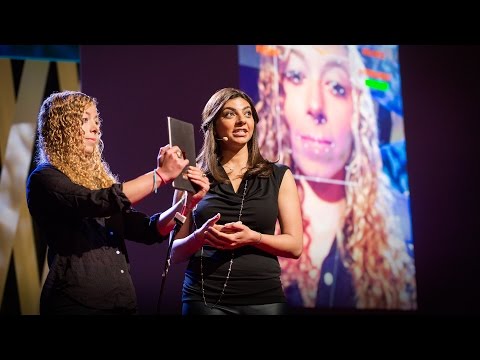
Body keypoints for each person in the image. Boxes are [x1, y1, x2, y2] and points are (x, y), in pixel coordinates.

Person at [255, 45, 417, 309]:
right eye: (296, 76)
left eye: (337, 87)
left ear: (359, 111)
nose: (316, 105)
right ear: (279, 100)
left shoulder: (400, 225)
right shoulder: (250, 218)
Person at [26, 90, 210, 315]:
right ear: (61, 128)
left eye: (95, 120)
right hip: (76, 303)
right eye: (84, 120)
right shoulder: (45, 178)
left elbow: (149, 229)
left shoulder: (97, 181)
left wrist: (188, 204)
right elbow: (97, 202)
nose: (95, 127)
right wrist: (160, 175)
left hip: (122, 303)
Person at [170, 87, 303, 315]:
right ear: (213, 125)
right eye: (230, 114)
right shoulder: (192, 177)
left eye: (248, 113)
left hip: (264, 299)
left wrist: (254, 237)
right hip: (204, 299)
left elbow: (295, 246)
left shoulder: (279, 175)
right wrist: (199, 237)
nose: (242, 121)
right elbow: (175, 252)